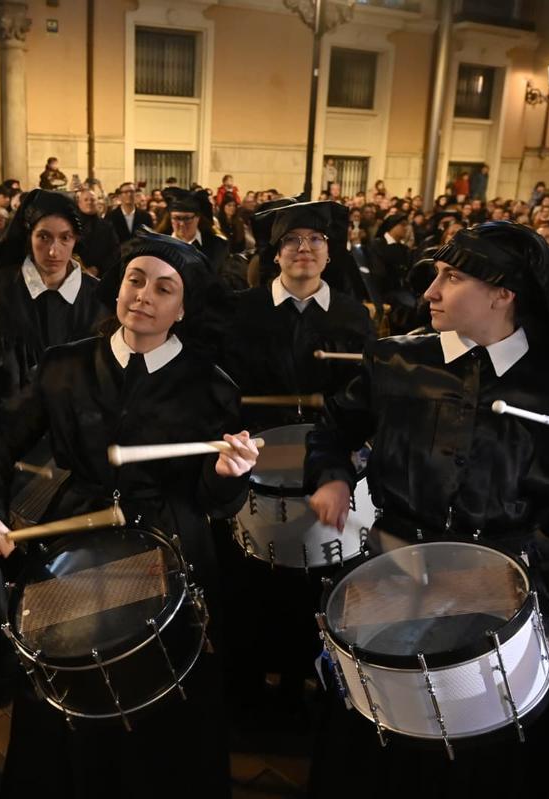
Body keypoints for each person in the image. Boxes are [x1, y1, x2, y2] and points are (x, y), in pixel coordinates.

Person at [303, 221, 549, 798]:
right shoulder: (395, 360)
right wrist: (333, 477)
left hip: (498, 586)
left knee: (477, 747)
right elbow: (331, 430)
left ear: (503, 293)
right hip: (391, 568)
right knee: (374, 732)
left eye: (451, 277)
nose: (430, 291)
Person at [0, 230, 257, 798]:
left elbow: (212, 500)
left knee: (164, 691)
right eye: (135, 280)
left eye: (164, 288)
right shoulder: (65, 365)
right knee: (65, 677)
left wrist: (227, 475)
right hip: (73, 539)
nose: (144, 295)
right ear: (118, 287)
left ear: (183, 308)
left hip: (171, 544)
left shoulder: (210, 385)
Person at [0, 189, 108, 706]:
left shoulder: (98, 297)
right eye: (44, 237)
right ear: (27, 236)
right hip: (5, 443)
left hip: (73, 445)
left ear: (77, 241)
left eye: (65, 238)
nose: (54, 250)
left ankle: (60, 642)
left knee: (62, 552)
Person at [217, 200, 374, 716]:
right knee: (256, 578)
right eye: (291, 240)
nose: (303, 248)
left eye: (315, 240)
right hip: (258, 463)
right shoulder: (243, 310)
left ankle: (305, 681)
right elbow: (224, 386)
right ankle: (251, 690)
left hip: (325, 462)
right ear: (276, 252)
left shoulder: (352, 315)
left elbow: (363, 395)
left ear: (329, 253)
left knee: (317, 576)